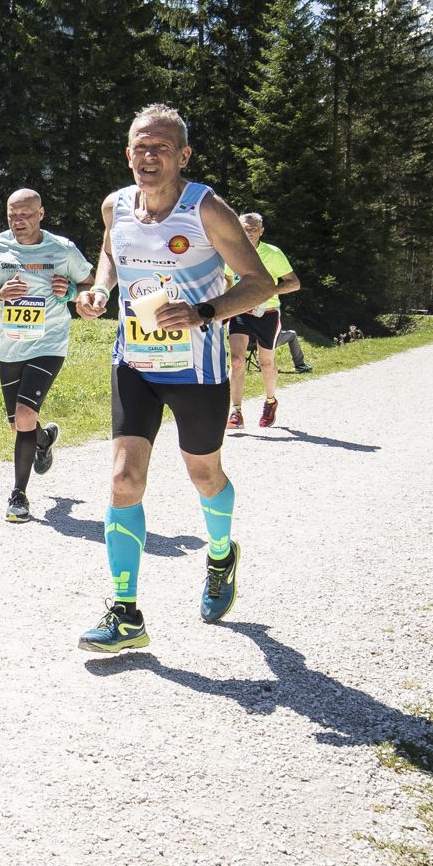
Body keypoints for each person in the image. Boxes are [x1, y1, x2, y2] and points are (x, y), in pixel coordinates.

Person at [70, 105, 275, 652]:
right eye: (140, 146)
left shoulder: (206, 209)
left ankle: (221, 553)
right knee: (122, 480)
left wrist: (204, 312)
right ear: (128, 152)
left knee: (204, 476)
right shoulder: (117, 205)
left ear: (183, 156)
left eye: (161, 147)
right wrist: (99, 289)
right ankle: (126, 613)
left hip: (197, 369)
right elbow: (112, 254)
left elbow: (261, 283)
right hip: (134, 363)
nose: (148, 156)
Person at [0, 188, 95, 522]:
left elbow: (88, 284)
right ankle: (44, 438)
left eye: (25, 214)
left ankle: (18, 496)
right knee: (18, 425)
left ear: (41, 214)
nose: (18, 221)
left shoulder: (63, 249)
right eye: (12, 214)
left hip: (49, 343)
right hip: (10, 346)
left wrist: (69, 291)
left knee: (25, 414)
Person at [223, 211, 300, 429]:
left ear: (261, 232)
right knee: (236, 361)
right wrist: (226, 297)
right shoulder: (231, 252)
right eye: (244, 229)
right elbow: (228, 278)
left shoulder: (273, 254)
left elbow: (294, 283)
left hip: (267, 312)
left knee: (266, 363)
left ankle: (270, 401)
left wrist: (268, 291)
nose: (248, 233)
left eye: (252, 229)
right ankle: (236, 412)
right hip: (240, 311)